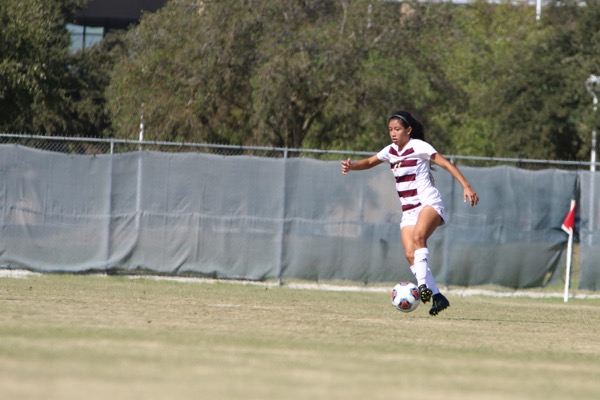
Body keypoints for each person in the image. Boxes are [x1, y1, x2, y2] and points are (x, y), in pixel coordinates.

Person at [341, 110, 479, 316]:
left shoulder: (419, 146)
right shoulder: (390, 151)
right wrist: (352, 167)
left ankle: (423, 287)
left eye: (397, 129)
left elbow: (446, 163)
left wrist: (466, 185)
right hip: (409, 210)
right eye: (390, 129)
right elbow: (369, 162)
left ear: (408, 130)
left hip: (429, 203)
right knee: (409, 254)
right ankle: (438, 297)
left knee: (419, 237)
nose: (393, 133)